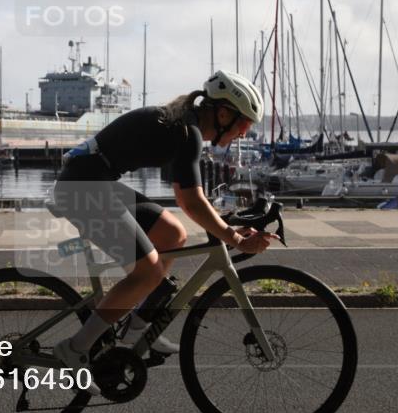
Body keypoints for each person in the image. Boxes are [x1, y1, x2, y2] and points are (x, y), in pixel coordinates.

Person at [52, 70, 274, 371]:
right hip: (83, 189)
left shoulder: (184, 126)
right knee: (148, 271)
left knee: (172, 233)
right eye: (245, 124)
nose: (245, 133)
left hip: (92, 181)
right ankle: (75, 349)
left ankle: (137, 326)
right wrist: (233, 238)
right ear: (223, 114)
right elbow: (191, 201)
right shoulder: (187, 132)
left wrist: (225, 225)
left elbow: (192, 199)